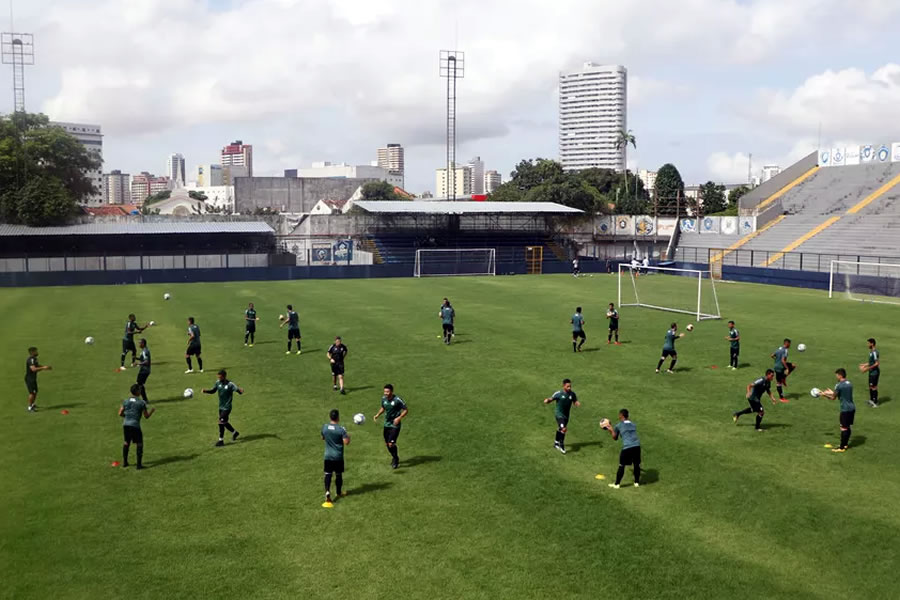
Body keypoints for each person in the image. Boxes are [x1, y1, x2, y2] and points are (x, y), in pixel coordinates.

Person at [600, 408, 641, 489]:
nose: (618, 416)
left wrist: (611, 430)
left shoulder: (619, 425)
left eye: (619, 415)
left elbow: (615, 438)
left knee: (621, 465)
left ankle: (617, 484)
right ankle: (636, 482)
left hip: (627, 447)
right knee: (636, 464)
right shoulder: (633, 424)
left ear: (621, 415)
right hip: (637, 446)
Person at [202, 369, 244, 447]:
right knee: (224, 422)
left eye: (220, 377)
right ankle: (235, 432)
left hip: (227, 407)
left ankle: (221, 441)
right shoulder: (218, 383)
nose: (219, 379)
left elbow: (237, 389)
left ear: (224, 376)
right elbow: (213, 391)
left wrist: (240, 391)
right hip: (221, 407)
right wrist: (206, 391)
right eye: (218, 377)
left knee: (220, 422)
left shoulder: (230, 384)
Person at [118, 383, 155, 469]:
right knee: (139, 444)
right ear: (137, 392)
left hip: (126, 425)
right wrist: (152, 411)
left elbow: (120, 413)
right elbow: (146, 416)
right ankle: (139, 465)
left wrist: (127, 416)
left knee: (126, 442)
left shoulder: (126, 401)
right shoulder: (141, 403)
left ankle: (125, 462)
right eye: (140, 390)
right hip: (135, 425)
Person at [372, 384, 408, 469]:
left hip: (395, 425)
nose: (386, 393)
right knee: (387, 444)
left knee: (391, 444)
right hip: (387, 424)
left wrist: (399, 418)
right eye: (385, 391)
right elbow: (383, 407)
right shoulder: (383, 399)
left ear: (392, 391)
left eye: (387, 392)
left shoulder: (397, 400)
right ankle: (394, 456)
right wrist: (377, 415)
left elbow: (406, 410)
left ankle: (396, 459)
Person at [321, 409, 350, 507]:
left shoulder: (324, 427)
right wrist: (348, 435)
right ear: (338, 417)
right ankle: (338, 492)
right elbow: (346, 442)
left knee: (328, 474)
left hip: (328, 456)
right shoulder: (341, 429)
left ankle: (327, 492)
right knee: (338, 475)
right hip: (338, 457)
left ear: (330, 417)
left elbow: (323, 438)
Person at [543, 378, 581, 454]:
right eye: (567, 386)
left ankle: (556, 443)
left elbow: (574, 401)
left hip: (566, 415)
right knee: (563, 429)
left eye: (570, 386)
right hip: (559, 414)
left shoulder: (572, 394)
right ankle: (561, 445)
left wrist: (576, 403)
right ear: (563, 386)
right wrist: (547, 400)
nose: (569, 388)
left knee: (560, 429)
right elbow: (551, 398)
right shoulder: (559, 393)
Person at [821, 368, 855, 453]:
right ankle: (845, 444)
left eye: (836, 375)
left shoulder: (839, 385)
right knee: (848, 426)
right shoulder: (849, 383)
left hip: (845, 409)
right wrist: (831, 392)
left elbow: (833, 398)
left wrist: (824, 395)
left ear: (840, 375)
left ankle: (841, 447)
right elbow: (842, 394)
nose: (836, 377)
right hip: (852, 408)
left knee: (843, 428)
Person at [25, 346, 51, 412]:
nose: (37, 352)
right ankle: (30, 407)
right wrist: (43, 368)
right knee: (32, 393)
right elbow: (33, 369)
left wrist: (44, 367)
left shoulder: (34, 359)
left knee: (35, 392)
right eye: (36, 351)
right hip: (30, 379)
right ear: (32, 352)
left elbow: (37, 366)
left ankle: (32, 404)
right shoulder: (31, 359)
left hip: (33, 378)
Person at [771, 339, 794, 403]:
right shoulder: (785, 350)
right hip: (780, 368)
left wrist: (776, 360)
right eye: (789, 344)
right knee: (779, 383)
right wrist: (787, 368)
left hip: (777, 366)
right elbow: (783, 361)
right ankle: (781, 398)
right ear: (787, 344)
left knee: (793, 365)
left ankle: (783, 377)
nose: (790, 345)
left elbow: (772, 355)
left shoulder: (779, 348)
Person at [860, 338, 880, 408]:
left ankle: (875, 402)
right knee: (871, 386)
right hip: (871, 372)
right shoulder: (871, 352)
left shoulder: (874, 352)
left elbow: (877, 363)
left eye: (868, 343)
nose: (867, 345)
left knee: (874, 387)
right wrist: (864, 365)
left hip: (874, 373)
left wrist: (866, 369)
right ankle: (871, 400)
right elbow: (872, 362)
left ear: (872, 344)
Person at [136, 338, 151, 403]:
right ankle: (144, 399)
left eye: (140, 343)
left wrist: (138, 363)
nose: (138, 344)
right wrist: (136, 358)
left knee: (139, 384)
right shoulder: (144, 350)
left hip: (145, 370)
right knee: (140, 384)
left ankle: (144, 399)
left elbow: (147, 361)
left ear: (143, 344)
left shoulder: (145, 351)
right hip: (143, 370)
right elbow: (143, 359)